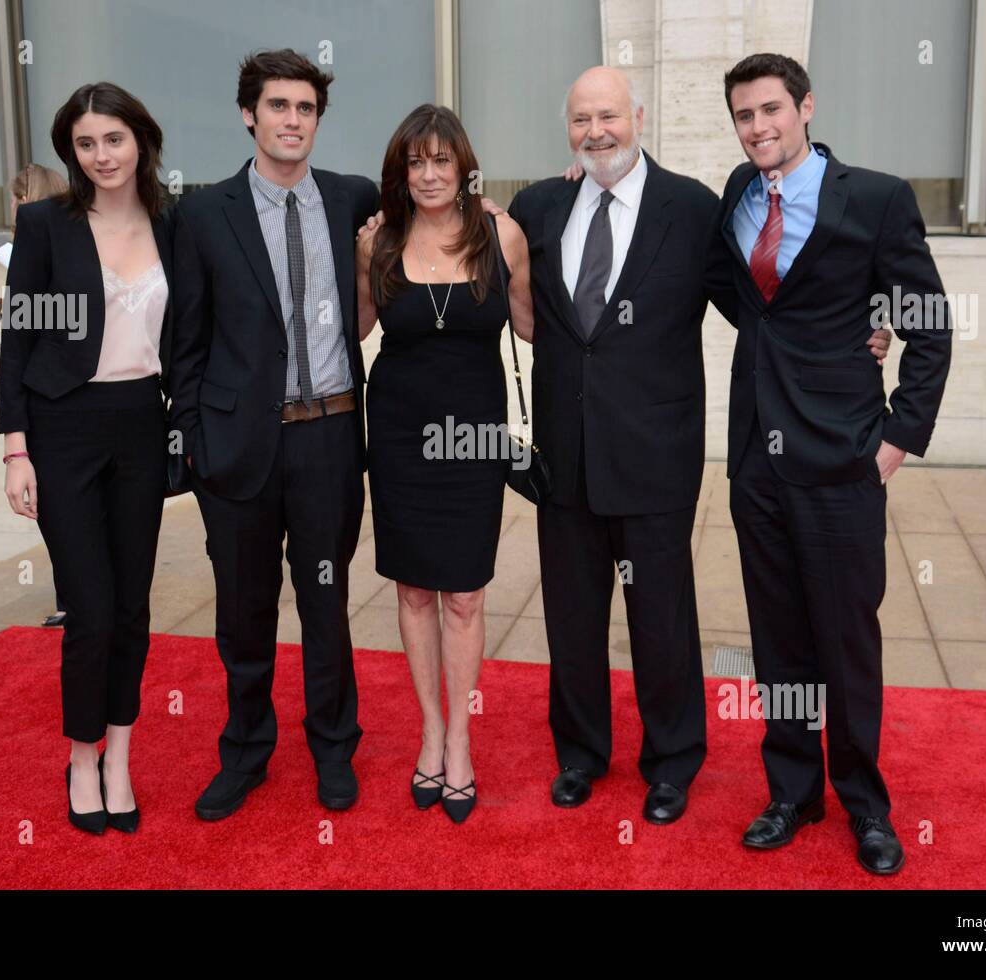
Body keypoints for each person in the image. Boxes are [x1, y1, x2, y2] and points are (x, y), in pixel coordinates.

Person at [709, 54, 952, 874]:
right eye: (743, 115)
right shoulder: (736, 202)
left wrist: (896, 440)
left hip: (844, 460)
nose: (758, 128)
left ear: (806, 106)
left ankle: (865, 805)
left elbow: (928, 323)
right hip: (757, 463)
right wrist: (584, 178)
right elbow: (742, 303)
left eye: (771, 109)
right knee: (777, 642)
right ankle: (791, 792)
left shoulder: (877, 198)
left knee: (846, 642)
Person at [503, 66, 729, 825]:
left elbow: (760, 303)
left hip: (655, 452)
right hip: (564, 455)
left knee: (661, 618)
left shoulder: (692, 209)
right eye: (580, 120)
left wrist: (854, 330)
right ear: (567, 129)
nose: (595, 131)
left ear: (638, 116)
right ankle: (580, 754)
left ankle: (671, 762)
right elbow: (491, 283)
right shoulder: (539, 204)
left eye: (608, 116)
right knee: (571, 615)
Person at [170, 49, 380, 820]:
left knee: (327, 604)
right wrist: (193, 437)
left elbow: (439, 192)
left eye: (306, 109)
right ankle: (247, 751)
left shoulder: (351, 198)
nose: (293, 120)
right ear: (249, 114)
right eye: (279, 106)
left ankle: (334, 748)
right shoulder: (201, 213)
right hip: (238, 444)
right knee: (244, 610)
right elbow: (183, 341)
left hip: (328, 434)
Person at [0, 82, 175, 836]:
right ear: (71, 152)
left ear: (140, 139)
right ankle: (80, 756)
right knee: (91, 610)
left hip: (141, 422)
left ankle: (121, 758)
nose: (101, 156)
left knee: (133, 608)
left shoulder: (176, 222)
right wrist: (15, 449)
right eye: (84, 143)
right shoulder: (46, 225)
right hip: (62, 427)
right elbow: (16, 343)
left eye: (113, 139)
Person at [355, 105, 533, 823]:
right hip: (398, 436)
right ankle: (430, 730)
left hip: (474, 438)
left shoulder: (502, 234)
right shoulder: (380, 241)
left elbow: (532, 323)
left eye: (440, 160)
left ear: (464, 166)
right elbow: (355, 328)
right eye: (415, 163)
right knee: (414, 594)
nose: (428, 174)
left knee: (463, 594)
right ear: (400, 173)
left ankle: (461, 740)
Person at [0, 162, 70, 629]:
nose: (17, 208)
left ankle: (76, 597)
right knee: (57, 510)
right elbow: (14, 336)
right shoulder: (15, 255)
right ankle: (74, 596)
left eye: (23, 198)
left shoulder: (48, 246)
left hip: (58, 395)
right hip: (36, 396)